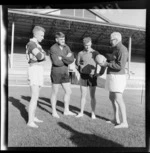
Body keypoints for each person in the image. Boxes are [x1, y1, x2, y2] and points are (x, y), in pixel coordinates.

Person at [98, 32, 129, 128]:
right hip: (112, 76)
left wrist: (106, 64)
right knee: (112, 97)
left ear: (116, 40)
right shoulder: (115, 49)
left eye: (111, 39)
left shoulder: (122, 50)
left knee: (119, 98)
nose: (110, 41)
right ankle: (116, 119)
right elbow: (113, 62)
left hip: (118, 77)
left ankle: (124, 122)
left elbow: (120, 66)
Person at [49, 32, 76, 118]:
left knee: (69, 91)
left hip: (65, 72)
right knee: (55, 93)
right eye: (61, 39)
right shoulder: (53, 48)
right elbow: (56, 62)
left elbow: (71, 59)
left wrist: (63, 57)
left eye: (64, 39)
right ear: (56, 40)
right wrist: (66, 58)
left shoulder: (66, 47)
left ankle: (66, 110)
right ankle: (54, 112)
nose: (63, 40)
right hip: (56, 72)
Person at [26, 26, 46, 128]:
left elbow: (43, 56)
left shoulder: (37, 44)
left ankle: (33, 117)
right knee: (34, 97)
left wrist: (42, 55)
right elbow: (40, 56)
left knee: (36, 97)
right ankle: (30, 121)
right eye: (42, 35)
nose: (43, 37)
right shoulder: (31, 44)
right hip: (34, 69)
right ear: (36, 34)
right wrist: (42, 55)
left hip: (38, 69)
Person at [75, 37, 100, 119]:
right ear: (83, 44)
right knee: (83, 95)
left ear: (91, 43)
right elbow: (77, 64)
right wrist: (80, 70)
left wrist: (99, 73)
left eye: (89, 45)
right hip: (83, 76)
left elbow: (102, 63)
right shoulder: (80, 53)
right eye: (86, 45)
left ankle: (93, 113)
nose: (87, 47)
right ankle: (81, 112)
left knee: (92, 96)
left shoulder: (96, 53)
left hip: (92, 76)